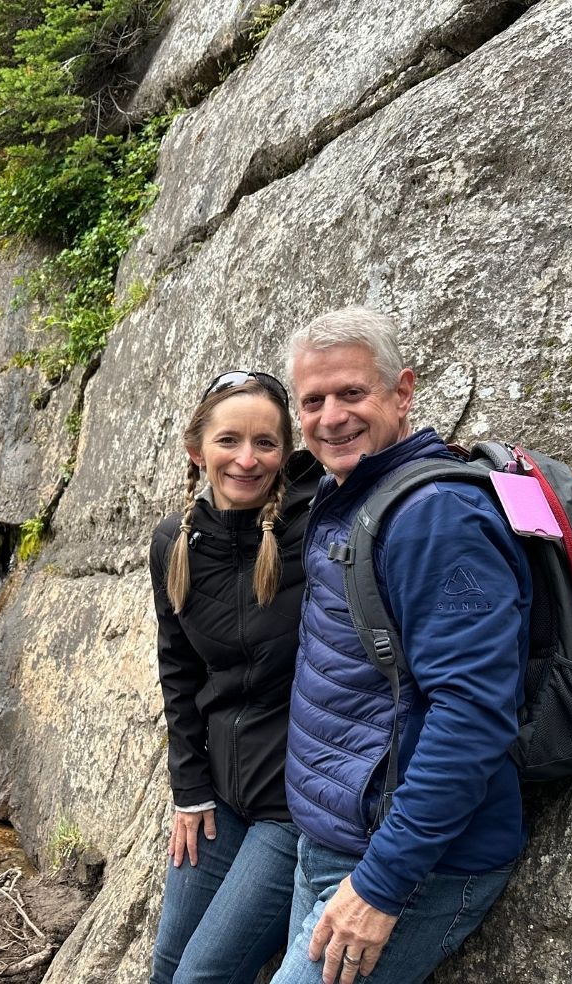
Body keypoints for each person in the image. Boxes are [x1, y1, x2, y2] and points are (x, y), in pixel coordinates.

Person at [271, 306, 533, 984]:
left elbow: (472, 712)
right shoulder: (349, 496)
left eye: (352, 393)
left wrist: (382, 884)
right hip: (334, 842)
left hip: (409, 866)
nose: (332, 417)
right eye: (314, 401)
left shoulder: (435, 517)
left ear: (402, 392)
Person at [149, 371, 324, 984]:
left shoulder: (317, 528)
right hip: (219, 791)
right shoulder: (174, 542)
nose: (247, 460)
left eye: (266, 444)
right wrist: (189, 790)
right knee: (166, 967)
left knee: (201, 976)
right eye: (229, 441)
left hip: (290, 805)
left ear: (286, 452)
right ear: (195, 449)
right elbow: (178, 670)